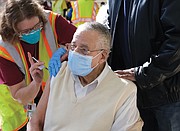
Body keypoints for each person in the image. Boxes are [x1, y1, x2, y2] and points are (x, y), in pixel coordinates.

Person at [27, 22, 143, 131]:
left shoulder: (124, 91)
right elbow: (36, 121)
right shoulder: (59, 72)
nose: (75, 53)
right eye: (73, 47)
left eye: (84, 50)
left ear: (103, 56)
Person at [0, 0, 76, 130]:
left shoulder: (51, 20)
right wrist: (36, 83)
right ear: (13, 31)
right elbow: (20, 96)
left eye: (37, 27)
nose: (34, 32)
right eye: (27, 31)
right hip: (18, 109)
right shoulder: (4, 49)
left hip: (52, 97)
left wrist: (68, 50)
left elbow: (81, 41)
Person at [107, 0, 180, 131]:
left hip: (166, 95)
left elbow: (176, 42)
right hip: (130, 93)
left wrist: (144, 74)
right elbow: (109, 31)